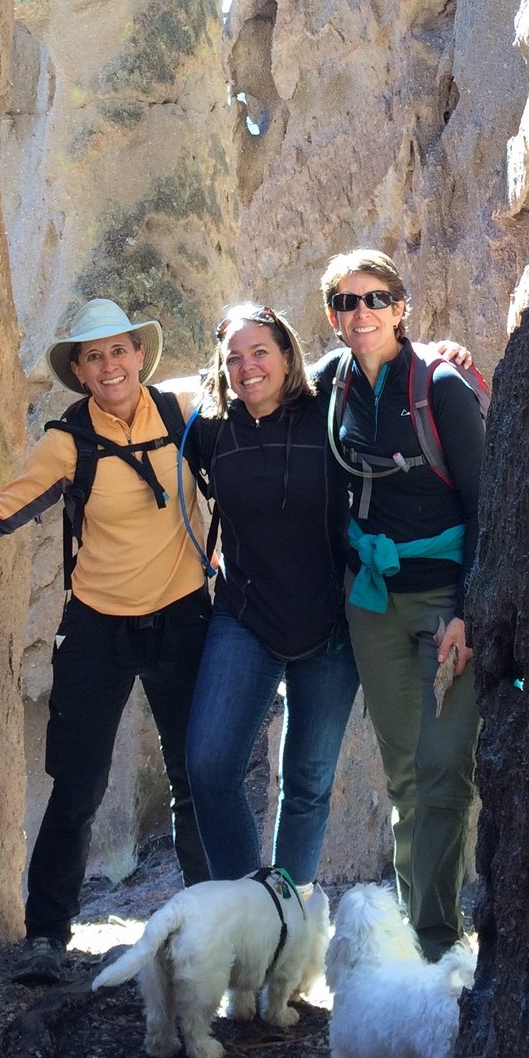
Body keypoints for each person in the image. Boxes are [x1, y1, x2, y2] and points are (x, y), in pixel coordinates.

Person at [0, 297, 212, 979]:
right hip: (97, 628)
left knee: (194, 777)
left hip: (183, 618)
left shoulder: (185, 409)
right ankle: (48, 937)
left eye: (119, 350)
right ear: (79, 371)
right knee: (78, 784)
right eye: (93, 356)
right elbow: (3, 511)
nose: (109, 366)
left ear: (140, 355)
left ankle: (206, 923)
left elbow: (276, 382)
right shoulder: (66, 443)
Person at [319, 248, 485, 959]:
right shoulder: (330, 384)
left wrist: (469, 611)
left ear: (401, 306)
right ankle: (424, 936)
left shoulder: (440, 387)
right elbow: (249, 385)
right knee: (404, 773)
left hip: (447, 602)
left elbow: (488, 505)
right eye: (346, 303)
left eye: (375, 298)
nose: (362, 314)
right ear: (331, 315)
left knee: (445, 768)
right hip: (375, 607)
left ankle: (438, 940)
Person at [182, 302, 361, 885]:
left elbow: (383, 351)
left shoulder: (328, 402)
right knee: (209, 769)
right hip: (244, 617)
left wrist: (444, 354)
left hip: (330, 623)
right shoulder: (208, 427)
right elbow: (142, 397)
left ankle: (288, 916)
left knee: (307, 783)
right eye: (233, 357)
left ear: (287, 356)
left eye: (260, 352)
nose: (247, 367)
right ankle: (249, 915)